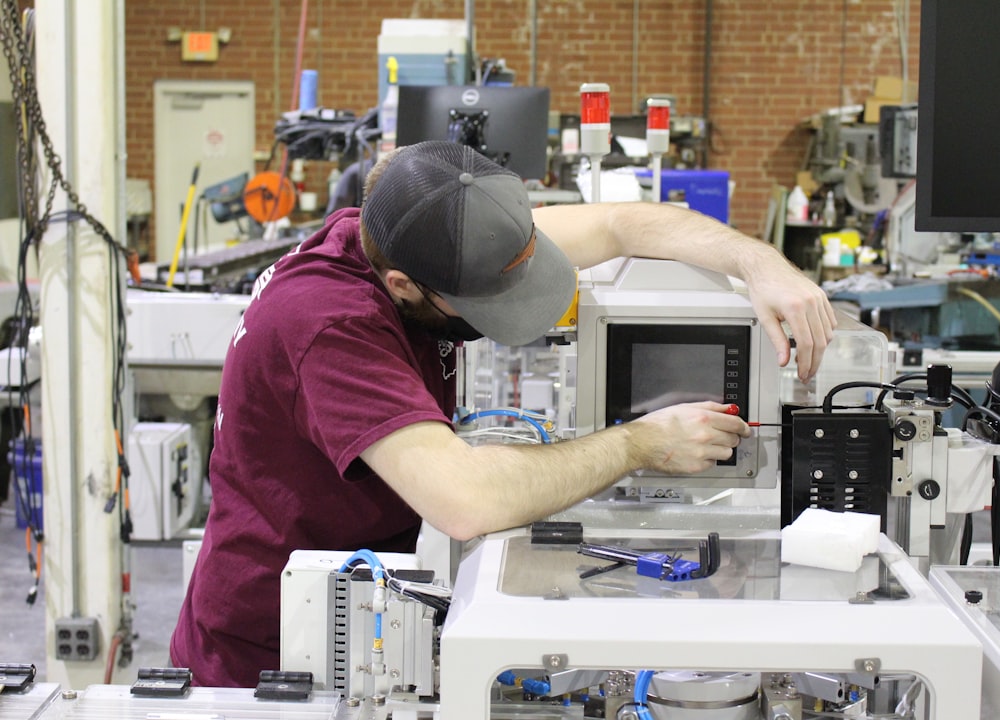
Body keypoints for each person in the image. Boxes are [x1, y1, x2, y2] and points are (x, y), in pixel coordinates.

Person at [170, 141, 837, 688]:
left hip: (362, 610)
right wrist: (639, 444)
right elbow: (467, 502)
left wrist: (760, 264)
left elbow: (625, 223)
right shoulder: (328, 323)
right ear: (403, 286)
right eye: (483, 302)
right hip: (271, 659)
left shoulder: (418, 235)